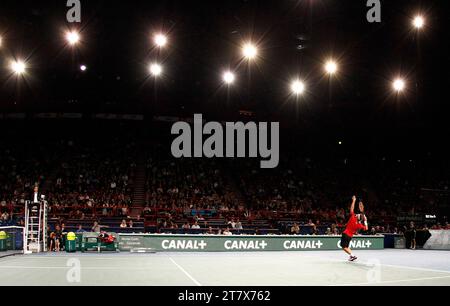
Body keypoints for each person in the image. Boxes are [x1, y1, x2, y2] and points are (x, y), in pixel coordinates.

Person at [340, 196, 368, 262]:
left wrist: (354, 200)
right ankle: (351, 256)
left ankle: (352, 255)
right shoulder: (359, 225)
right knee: (346, 247)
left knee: (343, 247)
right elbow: (366, 228)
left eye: (358, 215)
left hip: (345, 234)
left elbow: (351, 209)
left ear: (358, 217)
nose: (357, 214)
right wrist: (365, 221)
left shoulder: (353, 217)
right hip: (350, 236)